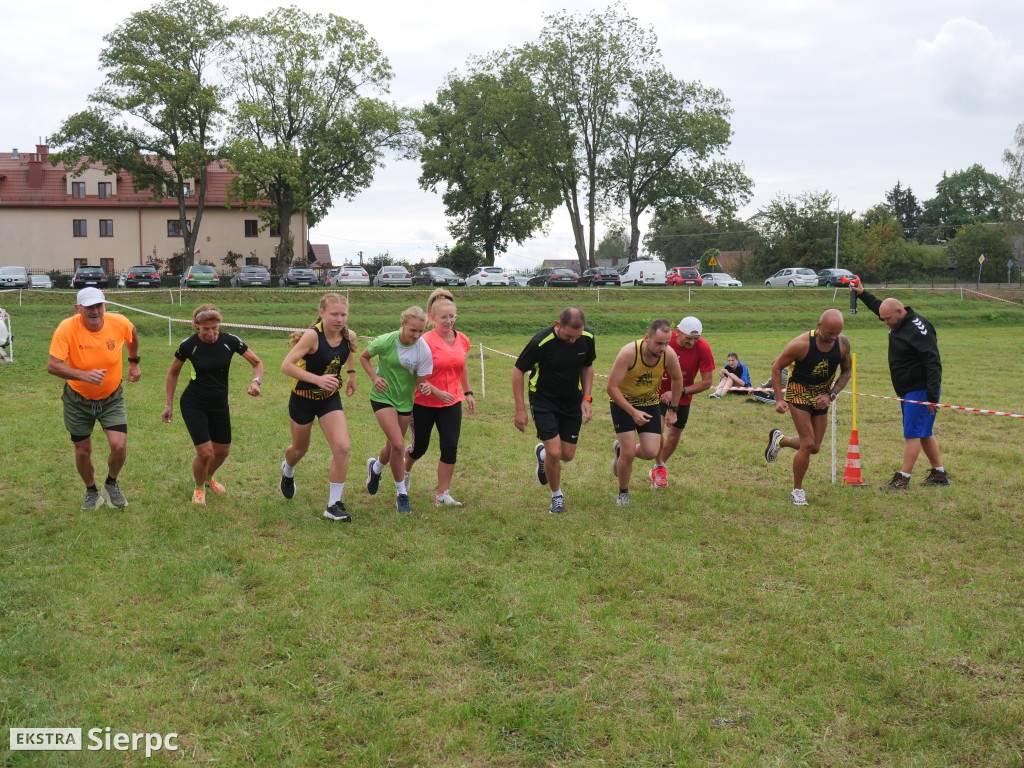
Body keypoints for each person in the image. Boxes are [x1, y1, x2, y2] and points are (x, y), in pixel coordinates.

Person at [46, 287, 141, 511]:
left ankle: (111, 484)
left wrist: (134, 361)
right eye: (89, 307)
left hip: (111, 398)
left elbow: (132, 334)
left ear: (105, 306)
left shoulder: (119, 322)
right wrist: (84, 376)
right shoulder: (67, 328)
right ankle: (91, 492)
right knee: (82, 450)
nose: (95, 311)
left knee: (119, 446)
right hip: (77, 400)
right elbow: (53, 365)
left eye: (99, 305)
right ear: (78, 309)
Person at [161, 304, 263, 504]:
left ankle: (207, 479)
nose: (211, 332)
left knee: (223, 451)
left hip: (219, 403)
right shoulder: (188, 345)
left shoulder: (230, 341)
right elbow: (173, 373)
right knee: (205, 452)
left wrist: (256, 381)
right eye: (206, 328)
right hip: (194, 402)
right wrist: (168, 405)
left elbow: (257, 362)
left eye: (215, 327)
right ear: (196, 326)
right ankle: (199, 489)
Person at [852, 284, 949, 488]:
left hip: (920, 389)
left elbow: (933, 362)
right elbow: (880, 306)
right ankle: (939, 474)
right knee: (923, 432)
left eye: (888, 319)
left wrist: (931, 395)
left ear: (900, 311)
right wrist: (862, 294)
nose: (886, 323)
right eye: (883, 319)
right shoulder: (896, 320)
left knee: (912, 433)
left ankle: (903, 479)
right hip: (909, 389)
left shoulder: (918, 329)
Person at [280, 293, 359, 522]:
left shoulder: (347, 334)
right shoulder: (312, 336)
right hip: (303, 397)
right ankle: (288, 470)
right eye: (334, 314)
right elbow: (286, 366)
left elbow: (349, 349)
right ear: (322, 313)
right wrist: (317, 379)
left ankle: (333, 504)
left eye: (343, 314)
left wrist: (351, 374)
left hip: (329, 398)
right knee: (299, 449)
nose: (339, 319)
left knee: (342, 447)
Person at [764, 308, 853, 506]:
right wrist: (779, 399)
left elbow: (847, 372)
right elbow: (777, 367)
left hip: (822, 394)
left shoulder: (843, 343)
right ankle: (798, 490)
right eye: (830, 333)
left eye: (837, 333)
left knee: (815, 447)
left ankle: (781, 440)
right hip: (798, 392)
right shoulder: (801, 344)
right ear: (819, 326)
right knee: (807, 443)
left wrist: (831, 395)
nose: (834, 337)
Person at [512, 307, 596, 514]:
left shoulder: (586, 338)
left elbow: (587, 366)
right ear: (558, 325)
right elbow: (518, 371)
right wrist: (520, 409)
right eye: (569, 336)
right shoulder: (540, 342)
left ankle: (542, 455)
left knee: (567, 455)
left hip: (571, 401)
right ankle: (556, 496)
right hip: (543, 400)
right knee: (555, 451)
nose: (573, 341)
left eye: (577, 336)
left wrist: (587, 398)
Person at [361, 306, 443, 514]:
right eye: (412, 330)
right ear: (403, 325)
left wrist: (424, 387)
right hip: (382, 396)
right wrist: (374, 377)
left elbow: (421, 382)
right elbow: (364, 357)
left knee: (392, 444)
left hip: (405, 402)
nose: (416, 335)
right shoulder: (386, 340)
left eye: (420, 331)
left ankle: (376, 468)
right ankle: (401, 494)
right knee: (398, 444)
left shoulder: (423, 349)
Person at [404, 289, 475, 507]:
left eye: (452, 316)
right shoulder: (424, 341)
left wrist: (468, 392)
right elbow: (415, 375)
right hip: (423, 402)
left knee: (450, 447)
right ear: (433, 318)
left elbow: (460, 366)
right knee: (420, 448)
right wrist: (435, 391)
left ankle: (442, 494)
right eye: (444, 317)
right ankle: (405, 471)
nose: (449, 321)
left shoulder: (462, 339)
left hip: (451, 402)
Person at [607, 318, 683, 506]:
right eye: (659, 343)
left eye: (666, 343)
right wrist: (632, 411)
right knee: (629, 452)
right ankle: (623, 492)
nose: (663, 348)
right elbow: (611, 387)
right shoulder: (629, 353)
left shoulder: (668, 354)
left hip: (649, 403)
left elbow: (677, 379)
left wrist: (673, 409)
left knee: (651, 451)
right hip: (623, 404)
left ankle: (621, 450)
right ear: (646, 338)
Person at [650, 315, 715, 487]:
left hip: (682, 395)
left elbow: (707, 381)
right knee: (658, 430)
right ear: (677, 332)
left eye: (696, 339)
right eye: (688, 339)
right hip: (656, 391)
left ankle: (658, 468)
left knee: (674, 437)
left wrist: (680, 392)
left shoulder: (703, 348)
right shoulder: (665, 340)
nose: (692, 343)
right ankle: (652, 463)